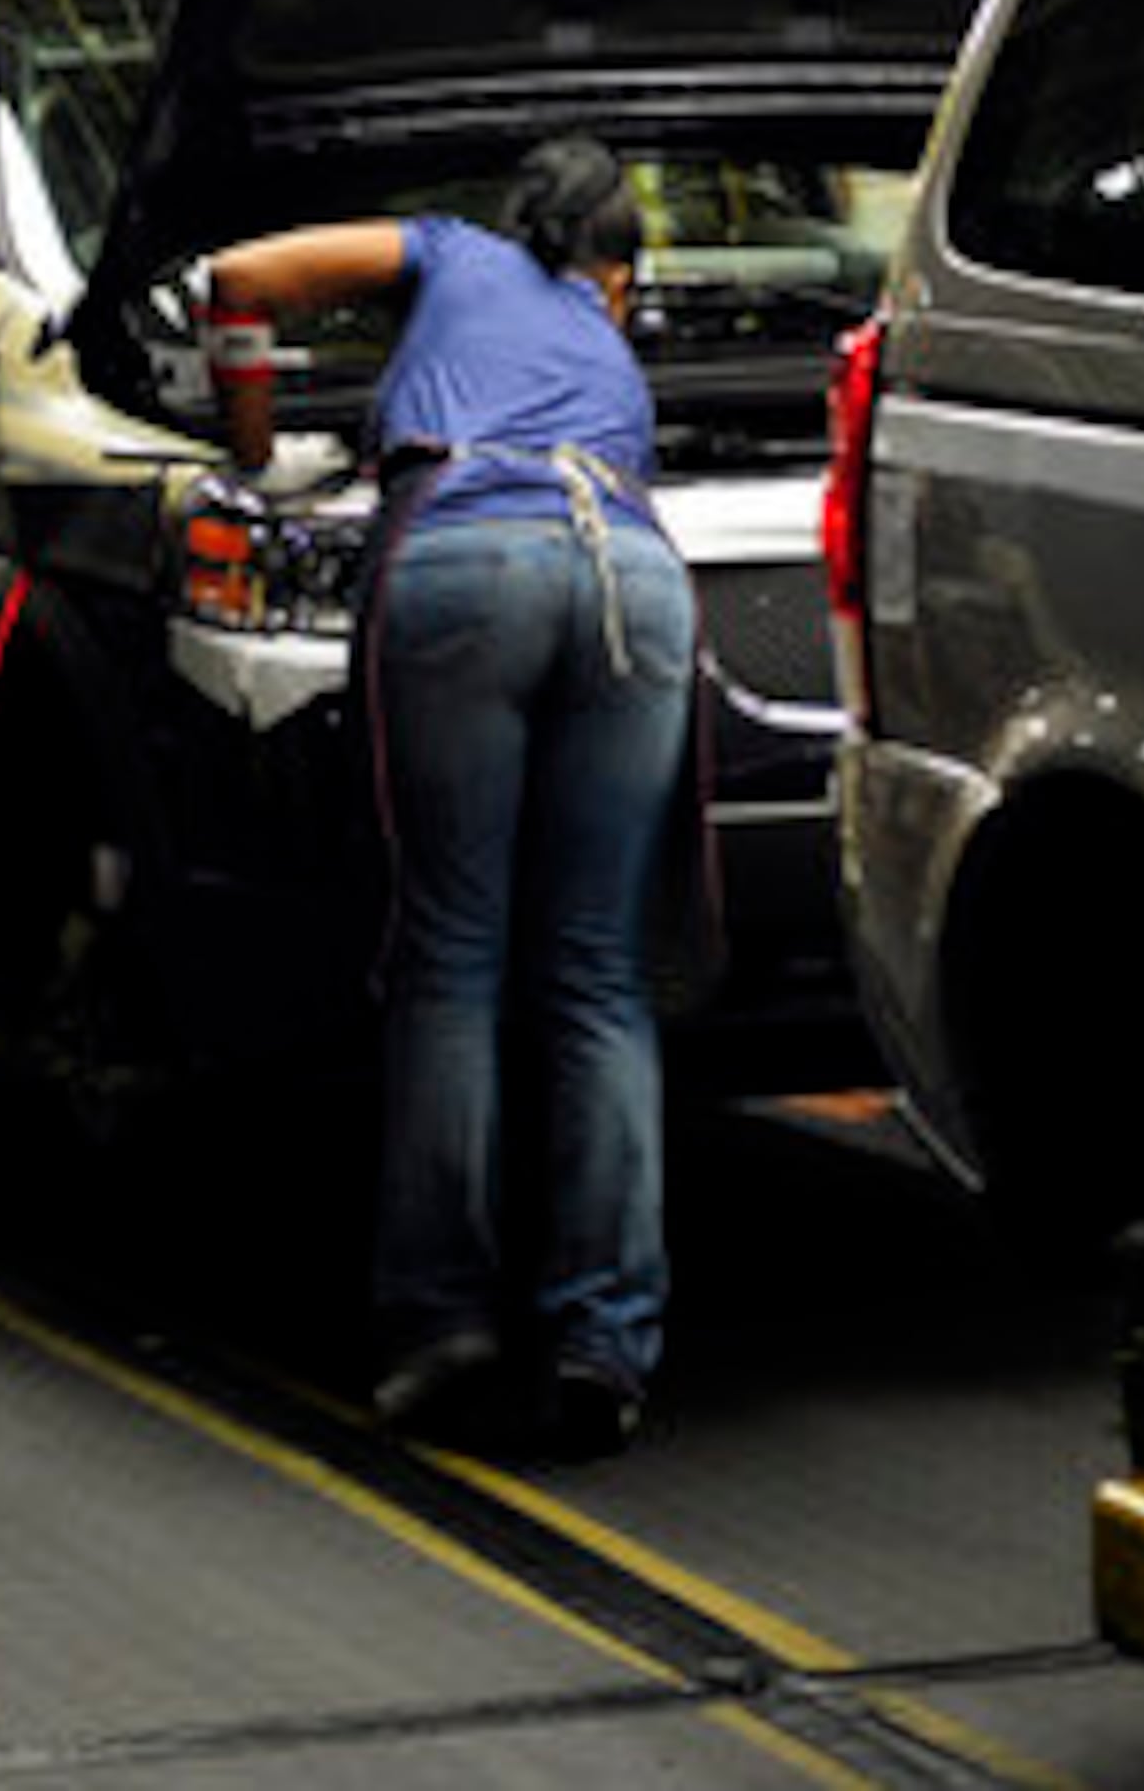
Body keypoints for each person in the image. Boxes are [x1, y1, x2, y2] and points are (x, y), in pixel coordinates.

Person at [196, 136, 693, 1459]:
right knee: (596, 973)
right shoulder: (614, 345)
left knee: (454, 955)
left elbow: (238, 275)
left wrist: (254, 447)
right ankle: (603, 1341)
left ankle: (440, 1322)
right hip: (635, 574)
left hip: (467, 554)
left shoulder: (447, 251)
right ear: (622, 276)